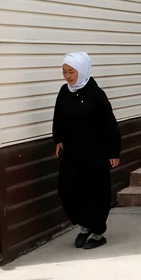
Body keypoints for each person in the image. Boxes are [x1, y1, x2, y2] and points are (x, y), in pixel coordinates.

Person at [53, 52, 121, 250]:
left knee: (95, 192)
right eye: (64, 72)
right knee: (67, 189)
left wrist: (114, 151)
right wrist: (58, 140)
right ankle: (85, 225)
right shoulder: (64, 92)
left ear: (82, 70)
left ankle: (98, 231)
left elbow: (110, 124)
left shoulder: (95, 94)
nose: (67, 76)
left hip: (95, 154)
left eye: (71, 71)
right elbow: (58, 118)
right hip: (72, 152)